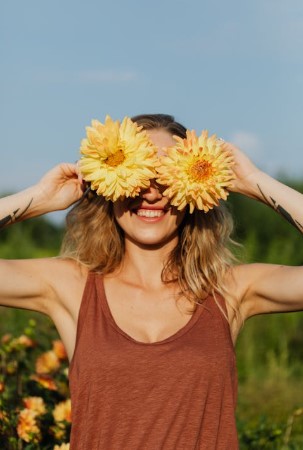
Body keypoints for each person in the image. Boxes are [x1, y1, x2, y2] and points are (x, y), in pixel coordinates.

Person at [1, 113, 303, 449]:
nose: (151, 193)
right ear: (108, 182)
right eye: (137, 172)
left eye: (166, 176)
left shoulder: (229, 291)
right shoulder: (72, 287)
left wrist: (254, 182)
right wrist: (39, 199)